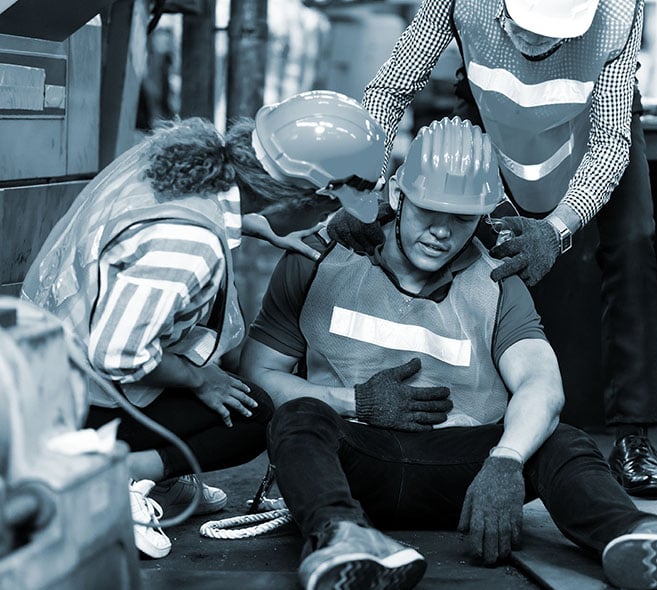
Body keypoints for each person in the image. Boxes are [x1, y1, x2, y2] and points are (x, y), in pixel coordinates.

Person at [240, 117, 657, 590]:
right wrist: (352, 403)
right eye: (429, 210)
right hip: (355, 458)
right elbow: (258, 374)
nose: (441, 231)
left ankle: (639, 537)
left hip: (465, 471)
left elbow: (540, 384)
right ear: (395, 194)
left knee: (562, 441)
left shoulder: (497, 281)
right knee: (298, 418)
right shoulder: (317, 261)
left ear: (483, 214)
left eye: (461, 218)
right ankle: (342, 539)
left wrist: (505, 461)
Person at [326, 0, 657, 498]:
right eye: (527, 29)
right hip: (491, 105)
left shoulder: (617, 11)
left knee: (633, 245)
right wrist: (362, 189)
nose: (535, 45)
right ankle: (476, 411)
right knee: (473, 245)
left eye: (550, 35)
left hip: (589, 118)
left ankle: (634, 439)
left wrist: (555, 228)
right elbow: (390, 86)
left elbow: (610, 143)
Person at [21, 90, 385, 559]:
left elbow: (168, 222)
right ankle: (109, 478)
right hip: (74, 395)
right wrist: (200, 378)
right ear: (307, 197)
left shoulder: (192, 156)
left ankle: (155, 477)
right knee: (254, 413)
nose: (328, 218)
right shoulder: (187, 243)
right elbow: (117, 354)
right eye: (328, 208)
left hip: (49, 360)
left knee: (230, 381)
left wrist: (255, 225)